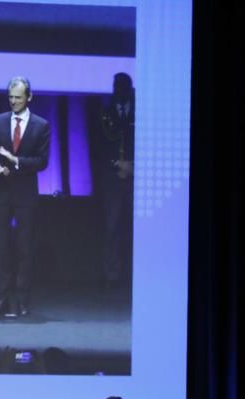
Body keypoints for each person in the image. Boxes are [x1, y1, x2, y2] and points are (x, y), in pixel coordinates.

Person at [0, 76, 50, 318]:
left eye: (18, 98)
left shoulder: (40, 125)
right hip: (1, 193)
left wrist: (16, 161)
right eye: (10, 97)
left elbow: (42, 162)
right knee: (0, 247)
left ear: (29, 97)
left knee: (24, 247)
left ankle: (23, 299)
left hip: (25, 194)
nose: (13, 102)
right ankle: (2, 298)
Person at [99, 73, 135, 290]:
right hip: (113, 177)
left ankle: (135, 272)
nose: (119, 90)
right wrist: (117, 165)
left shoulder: (142, 110)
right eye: (116, 86)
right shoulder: (105, 112)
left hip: (138, 178)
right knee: (112, 226)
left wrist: (134, 166)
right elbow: (99, 146)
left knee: (136, 228)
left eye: (123, 86)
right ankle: (112, 274)